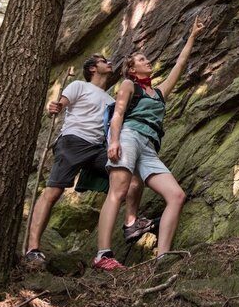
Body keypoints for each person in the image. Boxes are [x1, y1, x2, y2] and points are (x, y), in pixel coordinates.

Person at [93, 15, 206, 270]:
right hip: (129, 137)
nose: (148, 61)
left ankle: (163, 258)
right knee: (118, 192)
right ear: (132, 69)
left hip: (149, 147)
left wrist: (192, 36)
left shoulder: (159, 93)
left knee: (176, 196)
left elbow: (181, 63)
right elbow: (119, 114)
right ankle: (102, 255)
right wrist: (113, 141)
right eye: (142, 59)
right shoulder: (128, 85)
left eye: (147, 58)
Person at [23, 54, 153, 267]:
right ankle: (33, 249)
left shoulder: (112, 100)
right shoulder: (78, 86)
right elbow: (59, 106)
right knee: (53, 191)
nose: (109, 62)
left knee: (130, 179)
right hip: (73, 141)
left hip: (97, 149)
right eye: (103, 61)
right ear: (92, 68)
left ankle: (131, 223)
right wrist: (52, 107)